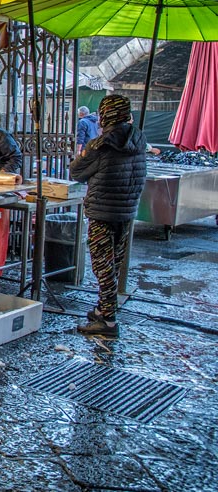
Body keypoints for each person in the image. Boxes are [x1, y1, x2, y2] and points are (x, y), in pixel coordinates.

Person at [70, 95, 147, 337]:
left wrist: (83, 157)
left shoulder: (101, 144)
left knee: (102, 265)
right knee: (113, 262)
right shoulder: (139, 139)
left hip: (103, 212)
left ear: (106, 115)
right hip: (126, 210)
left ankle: (109, 321)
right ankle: (105, 310)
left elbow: (76, 173)